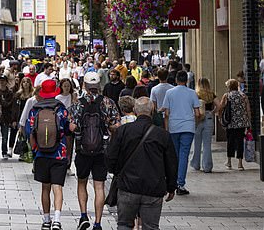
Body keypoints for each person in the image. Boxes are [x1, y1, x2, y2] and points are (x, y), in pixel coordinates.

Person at [106, 97, 178, 230]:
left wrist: (117, 173)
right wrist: (171, 186)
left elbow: (111, 156)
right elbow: (171, 163)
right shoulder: (162, 135)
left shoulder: (122, 131)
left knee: (124, 225)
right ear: (152, 110)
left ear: (134, 110)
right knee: (150, 226)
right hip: (153, 188)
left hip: (128, 187)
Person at [69, 71, 120, 230]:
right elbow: (117, 126)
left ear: (84, 85)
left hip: (82, 150)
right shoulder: (108, 103)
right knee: (99, 186)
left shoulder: (77, 104)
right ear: (99, 86)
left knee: (82, 182)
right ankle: (98, 222)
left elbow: (71, 126)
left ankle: (84, 215)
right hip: (102, 151)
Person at [25, 79, 71, 230]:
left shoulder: (35, 110)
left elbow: (30, 132)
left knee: (45, 188)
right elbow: (67, 129)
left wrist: (35, 150)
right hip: (59, 152)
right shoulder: (61, 109)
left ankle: (46, 220)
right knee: (57, 187)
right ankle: (57, 220)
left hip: (41, 154)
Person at [162, 70, 201, 195]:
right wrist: (194, 123)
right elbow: (197, 113)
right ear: (187, 80)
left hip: (174, 127)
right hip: (188, 127)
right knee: (184, 155)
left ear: (176, 80)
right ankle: (180, 184)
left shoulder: (169, 93)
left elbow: (166, 113)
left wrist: (166, 128)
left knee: (175, 156)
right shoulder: (192, 93)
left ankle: (173, 182)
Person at [220, 78, 251, 170]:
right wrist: (249, 121)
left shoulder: (227, 95)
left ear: (229, 87)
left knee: (230, 142)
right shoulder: (243, 95)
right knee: (240, 142)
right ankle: (240, 163)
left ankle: (229, 162)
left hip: (230, 123)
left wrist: (220, 118)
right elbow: (248, 109)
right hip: (241, 123)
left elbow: (221, 106)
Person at [190, 78, 218, 173]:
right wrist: (212, 112)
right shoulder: (211, 94)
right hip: (209, 118)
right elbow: (219, 105)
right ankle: (207, 166)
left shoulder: (195, 94)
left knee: (197, 143)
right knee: (207, 144)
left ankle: (196, 164)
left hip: (198, 119)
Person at [0, 75, 18, 160]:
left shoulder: (9, 92)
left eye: (3, 80)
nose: (1, 82)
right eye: (0, 80)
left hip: (5, 116)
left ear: (6, 81)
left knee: (5, 135)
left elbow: (8, 104)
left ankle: (4, 152)